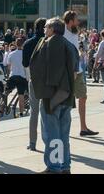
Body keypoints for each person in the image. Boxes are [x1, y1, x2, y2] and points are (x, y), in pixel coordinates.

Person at [30, 18, 78, 174]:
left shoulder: (52, 43)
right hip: (66, 95)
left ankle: (54, 167)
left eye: (46, 27)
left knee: (52, 135)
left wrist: (51, 96)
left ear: (52, 28)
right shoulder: (68, 44)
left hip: (53, 95)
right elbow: (75, 73)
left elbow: (52, 71)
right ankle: (64, 166)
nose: (44, 29)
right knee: (63, 135)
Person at [63, 11, 98, 137]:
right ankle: (64, 129)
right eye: (76, 19)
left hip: (78, 70)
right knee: (65, 101)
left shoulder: (75, 32)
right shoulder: (62, 32)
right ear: (70, 20)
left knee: (83, 97)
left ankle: (83, 128)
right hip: (68, 72)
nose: (78, 21)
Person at [22, 18, 47, 152]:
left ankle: (32, 142)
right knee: (47, 111)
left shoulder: (28, 43)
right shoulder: (49, 42)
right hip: (48, 80)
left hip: (34, 79)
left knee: (34, 111)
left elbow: (25, 63)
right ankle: (48, 139)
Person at [4, 38, 28, 116]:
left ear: (16, 44)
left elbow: (8, 66)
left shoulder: (11, 54)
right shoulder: (25, 54)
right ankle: (21, 113)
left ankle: (1, 108)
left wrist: (8, 76)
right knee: (21, 95)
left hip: (13, 76)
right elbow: (26, 67)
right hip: (22, 77)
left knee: (6, 92)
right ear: (23, 44)